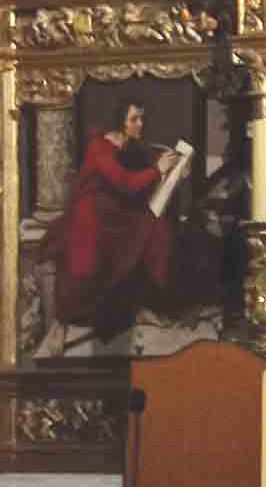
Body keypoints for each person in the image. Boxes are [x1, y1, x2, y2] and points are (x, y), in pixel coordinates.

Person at [43, 100, 183, 353]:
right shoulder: (99, 146)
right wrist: (157, 169)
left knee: (157, 232)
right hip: (90, 213)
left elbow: (141, 171)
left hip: (118, 211)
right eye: (134, 119)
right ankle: (61, 321)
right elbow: (125, 182)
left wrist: (173, 169)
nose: (140, 124)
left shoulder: (129, 143)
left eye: (141, 118)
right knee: (84, 263)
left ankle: (137, 307)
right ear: (120, 121)